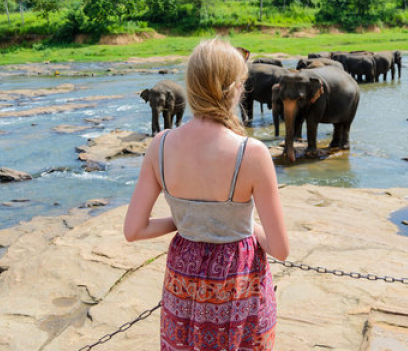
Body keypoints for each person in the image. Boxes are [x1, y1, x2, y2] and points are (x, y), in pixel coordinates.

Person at [124, 38, 289, 350]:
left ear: (191, 87)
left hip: (182, 278)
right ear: (235, 88)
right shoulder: (252, 153)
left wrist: (184, 219)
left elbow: (134, 230)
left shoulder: (160, 145)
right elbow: (280, 248)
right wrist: (243, 224)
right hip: (238, 281)